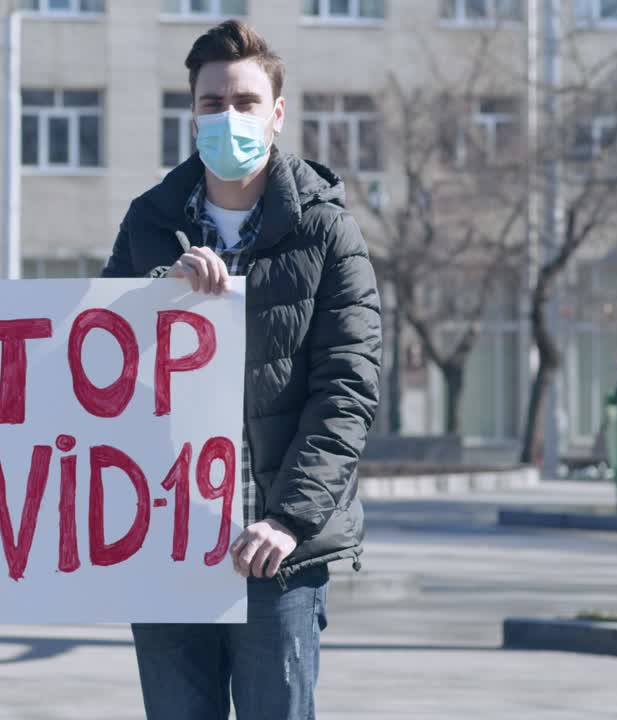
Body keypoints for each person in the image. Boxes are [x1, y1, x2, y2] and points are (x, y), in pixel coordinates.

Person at [103, 20, 382, 720]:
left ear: (276, 113)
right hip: (166, 541)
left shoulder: (325, 230)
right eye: (212, 103)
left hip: (274, 550)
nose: (228, 117)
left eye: (246, 102)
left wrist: (289, 520)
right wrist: (158, 291)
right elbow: (95, 359)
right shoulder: (149, 224)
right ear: (192, 114)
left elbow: (346, 390)